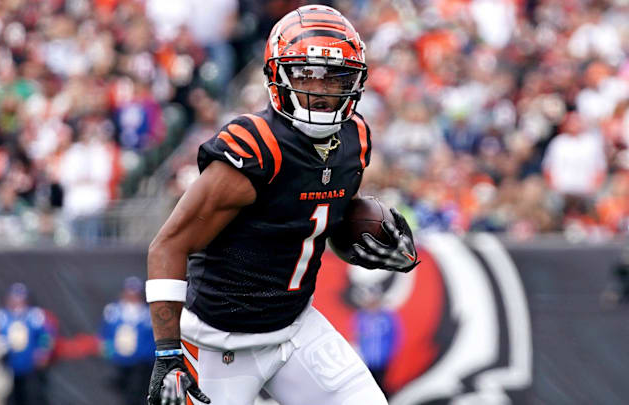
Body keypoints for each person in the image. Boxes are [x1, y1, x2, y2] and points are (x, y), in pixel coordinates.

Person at [144, 5, 419, 405]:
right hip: (221, 342)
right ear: (277, 75)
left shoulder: (355, 139)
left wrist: (371, 245)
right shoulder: (257, 146)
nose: (322, 91)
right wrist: (168, 354)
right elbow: (167, 245)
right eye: (309, 74)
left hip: (295, 328)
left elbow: (325, 221)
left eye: (336, 77)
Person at [0, 283, 54, 405]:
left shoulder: (35, 315)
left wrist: (43, 352)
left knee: (31, 395)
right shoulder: (1, 315)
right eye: (14, 297)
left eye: (20, 297)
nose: (17, 301)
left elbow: (46, 335)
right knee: (8, 396)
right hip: (6, 365)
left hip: (30, 365)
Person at [101, 276, 156, 405]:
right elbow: (105, 333)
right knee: (123, 391)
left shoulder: (148, 313)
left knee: (138, 392)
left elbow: (153, 338)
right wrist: (109, 350)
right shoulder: (113, 311)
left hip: (142, 362)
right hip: (120, 360)